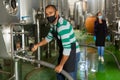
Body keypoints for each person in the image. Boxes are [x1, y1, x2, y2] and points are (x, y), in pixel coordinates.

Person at [31, 5, 80, 80]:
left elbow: (67, 49)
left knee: (70, 76)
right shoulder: (53, 25)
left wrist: (61, 65)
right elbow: (47, 39)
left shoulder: (62, 27)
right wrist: (37, 45)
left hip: (72, 52)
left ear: (56, 13)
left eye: (51, 13)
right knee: (59, 74)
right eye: (47, 14)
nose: (49, 16)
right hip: (64, 51)